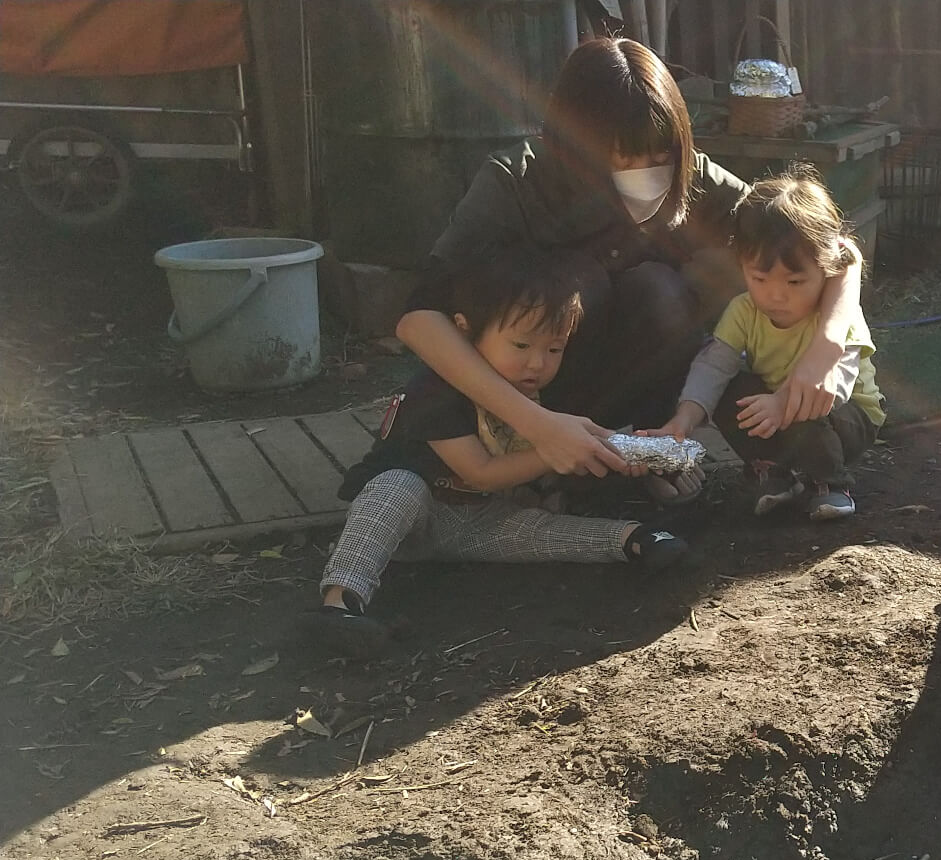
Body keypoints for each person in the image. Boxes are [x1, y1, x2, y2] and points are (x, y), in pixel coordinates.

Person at [395, 37, 863, 484]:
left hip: (643, 392)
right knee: (577, 285)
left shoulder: (692, 174)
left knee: (662, 290)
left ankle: (646, 449)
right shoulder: (515, 182)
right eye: (621, 158)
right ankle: (559, 466)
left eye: (659, 155)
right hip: (533, 398)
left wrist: (824, 349)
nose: (646, 175)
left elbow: (831, 250)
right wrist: (540, 426)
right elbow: (418, 317)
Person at [304, 250, 690, 658]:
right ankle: (341, 602)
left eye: (554, 349)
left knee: (541, 531)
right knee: (395, 488)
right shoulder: (434, 391)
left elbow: (541, 461)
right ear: (466, 332)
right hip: (415, 519)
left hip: (484, 520)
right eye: (521, 344)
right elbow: (482, 471)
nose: (537, 363)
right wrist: (554, 448)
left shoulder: (539, 387)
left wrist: (621, 452)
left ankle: (637, 539)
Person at [657, 172, 885, 521]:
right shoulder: (743, 311)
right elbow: (714, 365)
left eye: (795, 281)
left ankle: (830, 483)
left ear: (826, 269)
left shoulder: (837, 312)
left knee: (812, 409)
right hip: (777, 410)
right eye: (759, 279)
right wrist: (685, 418)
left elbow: (835, 387)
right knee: (726, 393)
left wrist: (782, 403)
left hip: (845, 416)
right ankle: (775, 472)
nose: (776, 295)